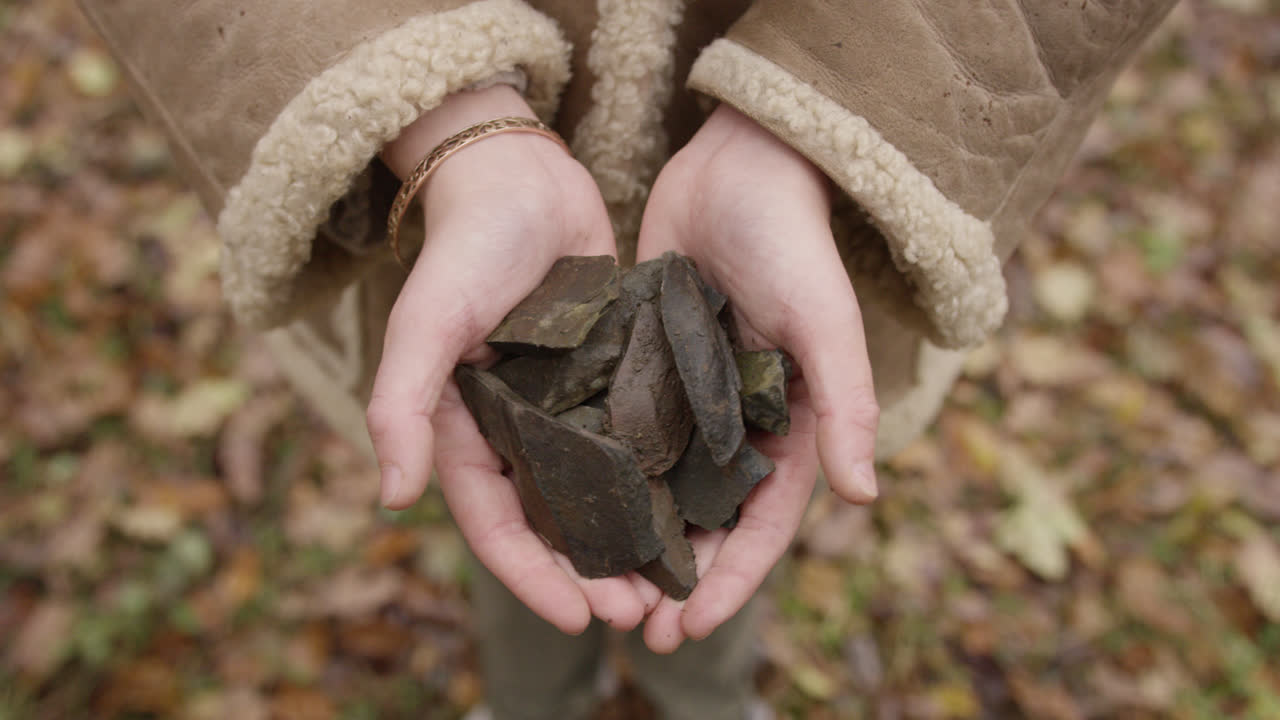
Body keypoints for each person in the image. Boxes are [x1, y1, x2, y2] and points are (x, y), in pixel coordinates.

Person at [78, 1, 1179, 718]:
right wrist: (439, 118)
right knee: (521, 524)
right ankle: (530, 701)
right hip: (434, 216)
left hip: (809, 211)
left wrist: (814, 128)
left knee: (713, 542)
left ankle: (702, 694)